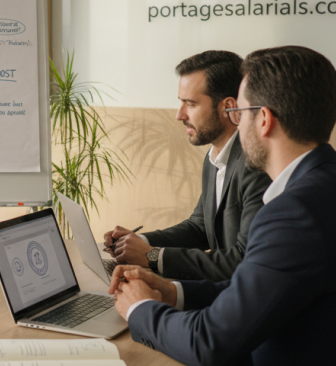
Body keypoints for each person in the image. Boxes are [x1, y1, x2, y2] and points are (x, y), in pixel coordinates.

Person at [110, 46, 336, 366]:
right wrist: (173, 292)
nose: (236, 123)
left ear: (264, 120)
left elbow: (210, 344)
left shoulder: (295, 214)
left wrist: (140, 309)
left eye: (239, 112)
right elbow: (257, 289)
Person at [103, 51, 270, 280]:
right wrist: (138, 242)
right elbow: (200, 227)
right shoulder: (214, 157)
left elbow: (242, 259)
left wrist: (152, 256)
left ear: (228, 107)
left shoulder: (256, 165)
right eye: (181, 102)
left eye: (190, 104)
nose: (179, 115)